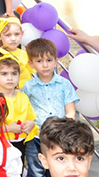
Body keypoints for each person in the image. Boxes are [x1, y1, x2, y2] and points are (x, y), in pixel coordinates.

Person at [22, 39, 79, 177]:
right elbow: (25, 110)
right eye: (39, 61)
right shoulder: (28, 86)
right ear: (31, 64)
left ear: (56, 61)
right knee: (36, 171)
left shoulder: (64, 84)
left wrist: (64, 131)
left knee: (58, 170)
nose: (45, 65)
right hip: (36, 136)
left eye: (49, 60)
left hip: (59, 136)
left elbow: (70, 111)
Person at [0, 53, 38, 160]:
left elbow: (31, 118)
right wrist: (9, 128)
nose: (10, 78)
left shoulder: (23, 97)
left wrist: (31, 124)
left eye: (14, 74)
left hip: (20, 143)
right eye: (4, 74)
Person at [0, 17, 34, 89]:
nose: (13, 38)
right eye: (8, 35)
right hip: (3, 92)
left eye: (17, 34)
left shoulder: (26, 54)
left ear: (22, 34)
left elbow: (31, 75)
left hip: (25, 92)